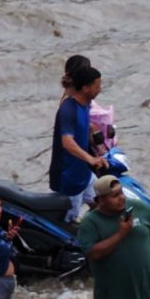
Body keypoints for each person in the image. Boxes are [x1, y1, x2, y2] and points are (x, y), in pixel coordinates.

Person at [51, 55, 108, 226]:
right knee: (68, 224)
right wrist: (90, 158)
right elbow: (67, 142)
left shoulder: (86, 104)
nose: (100, 90)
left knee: (102, 204)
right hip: (70, 178)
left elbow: (84, 125)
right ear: (85, 87)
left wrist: (98, 143)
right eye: (97, 86)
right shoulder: (68, 109)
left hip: (84, 174)